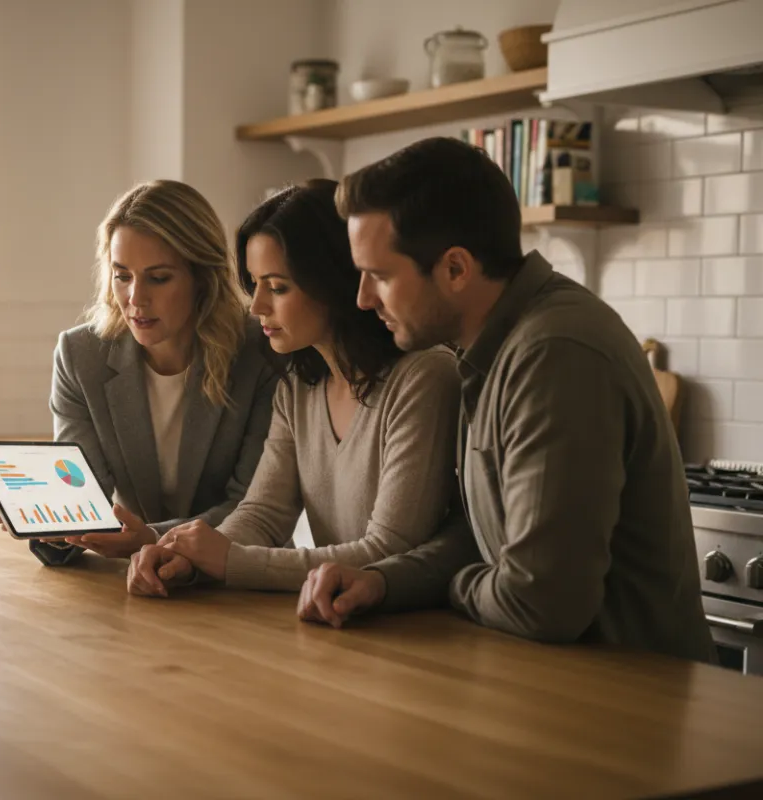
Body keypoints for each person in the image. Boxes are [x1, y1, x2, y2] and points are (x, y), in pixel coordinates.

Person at [298, 136, 714, 663]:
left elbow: (540, 602)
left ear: (455, 269)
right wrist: (382, 582)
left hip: (632, 695)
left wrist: (456, 586)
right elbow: (485, 536)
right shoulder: (489, 349)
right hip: (562, 683)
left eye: (379, 275)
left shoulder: (554, 354)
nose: (362, 299)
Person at [125, 179, 463, 596]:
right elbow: (264, 514)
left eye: (277, 287)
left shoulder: (424, 378)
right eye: (255, 284)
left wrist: (229, 561)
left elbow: (390, 551)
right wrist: (188, 558)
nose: (257, 307)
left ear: (333, 282)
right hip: (334, 613)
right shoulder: (299, 387)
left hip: (424, 625)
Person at [0, 180, 278, 564]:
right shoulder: (81, 356)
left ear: (203, 278)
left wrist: (152, 538)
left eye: (158, 277)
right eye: (122, 275)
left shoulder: (260, 352)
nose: (136, 298)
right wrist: (48, 522)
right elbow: (83, 499)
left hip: (236, 576)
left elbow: (253, 507)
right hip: (134, 578)